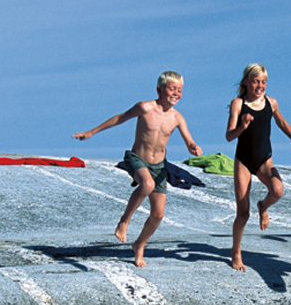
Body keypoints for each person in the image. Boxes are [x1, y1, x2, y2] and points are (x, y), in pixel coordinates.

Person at [73, 71, 202, 268]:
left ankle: (139, 245)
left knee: (158, 214)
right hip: (137, 159)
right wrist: (91, 132)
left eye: (179, 90)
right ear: (159, 89)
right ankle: (124, 221)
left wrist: (193, 147)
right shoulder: (145, 107)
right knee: (147, 184)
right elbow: (119, 118)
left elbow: (188, 139)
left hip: (159, 166)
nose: (176, 93)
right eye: (171, 88)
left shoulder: (177, 118)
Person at [225, 63, 291, 271]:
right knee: (243, 213)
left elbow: (282, 123)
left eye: (263, 82)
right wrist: (242, 126)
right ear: (246, 82)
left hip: (263, 160)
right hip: (243, 160)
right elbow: (229, 136)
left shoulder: (271, 102)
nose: (260, 86)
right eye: (255, 81)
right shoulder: (238, 104)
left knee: (278, 190)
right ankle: (236, 251)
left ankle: (263, 206)